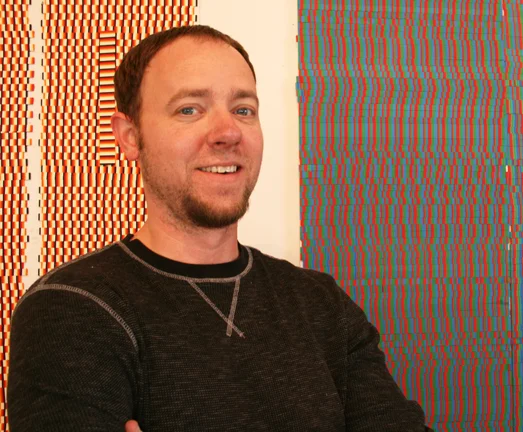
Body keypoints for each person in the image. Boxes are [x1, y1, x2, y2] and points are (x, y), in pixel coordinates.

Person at [8, 25, 432, 431]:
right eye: (189, 109)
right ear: (130, 136)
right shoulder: (74, 308)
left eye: (243, 110)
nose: (228, 132)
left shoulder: (321, 304)